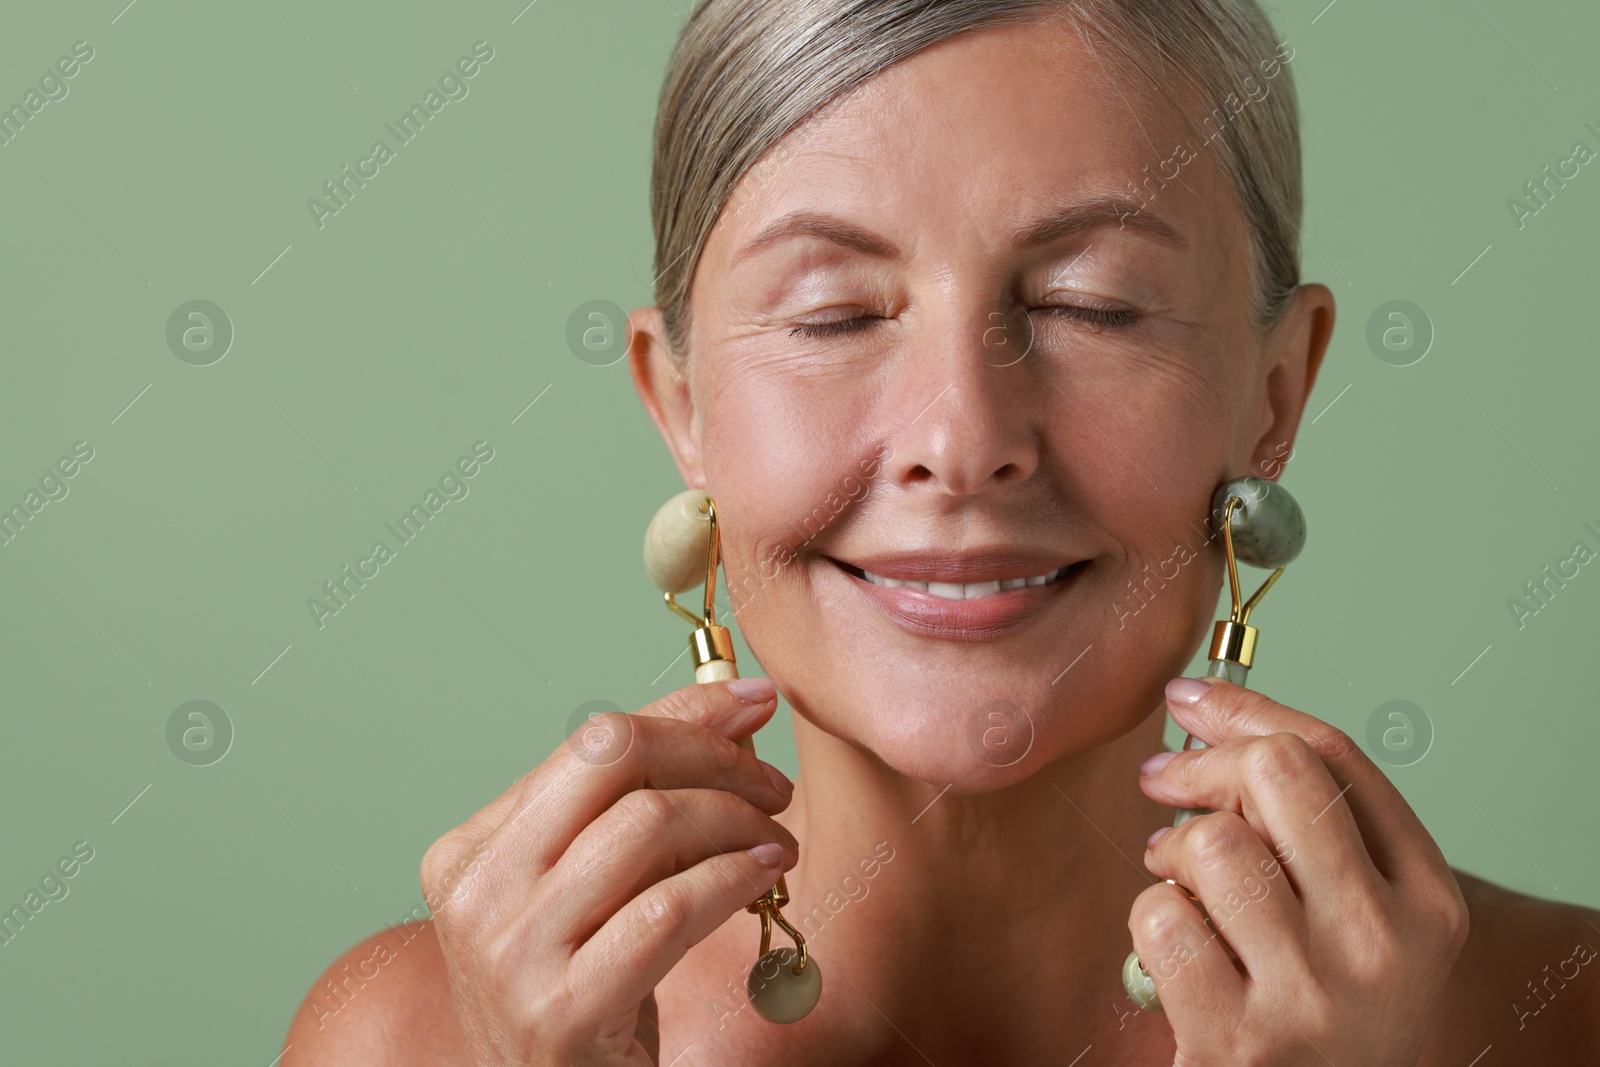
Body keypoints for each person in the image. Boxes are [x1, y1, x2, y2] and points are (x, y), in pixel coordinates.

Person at [283, 1, 1600, 1062]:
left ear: (1275, 396)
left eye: (1093, 305)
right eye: (835, 315)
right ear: (681, 408)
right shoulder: (414, 1040)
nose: (962, 437)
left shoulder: (1562, 1016)